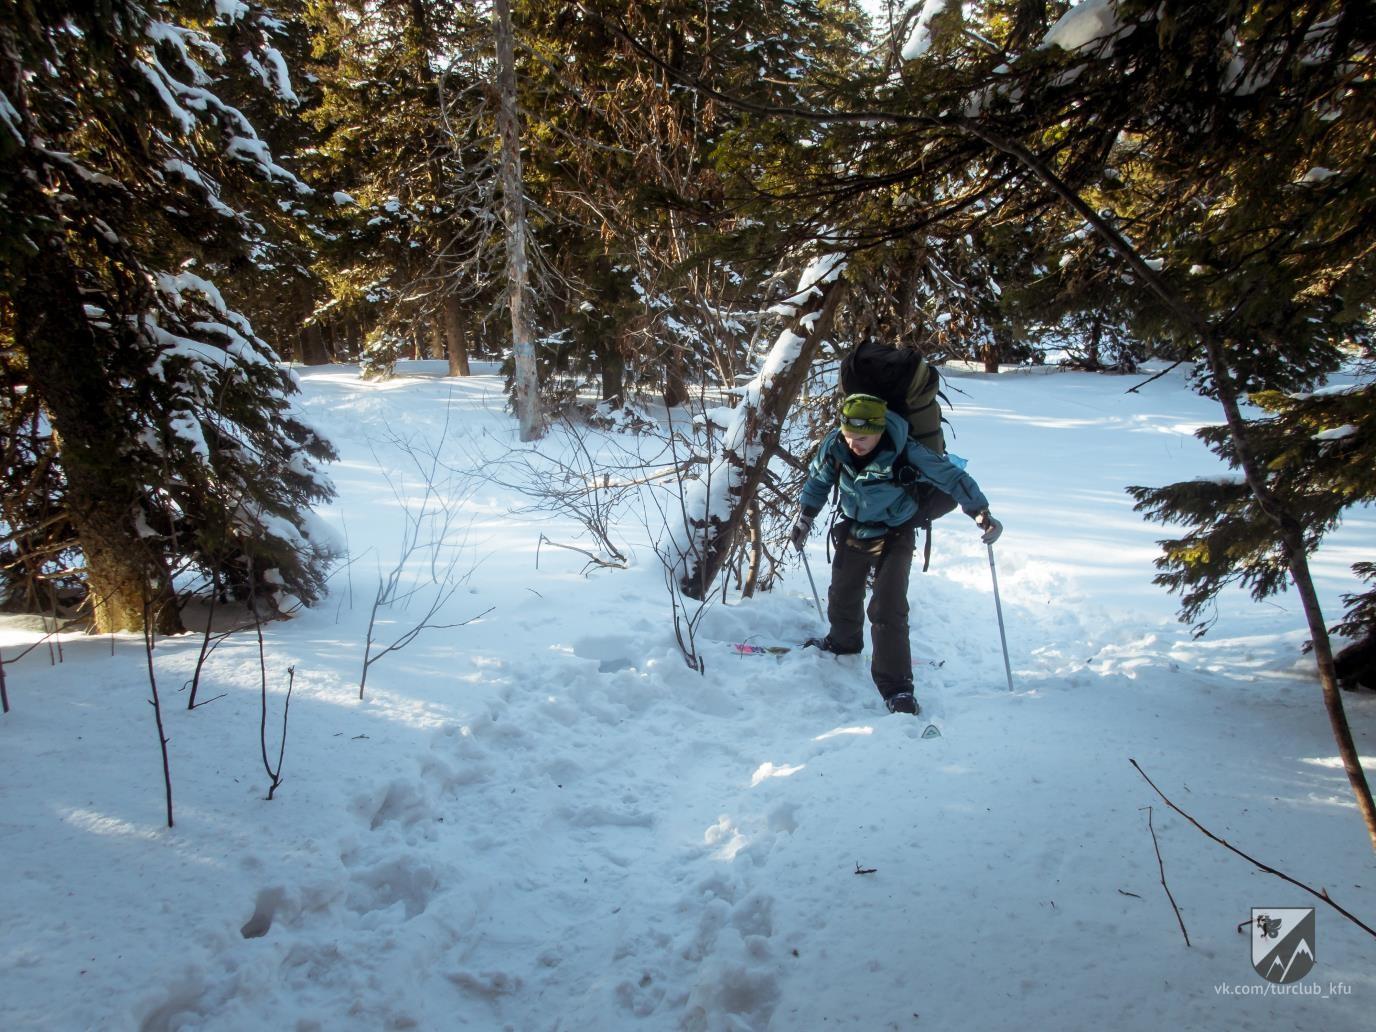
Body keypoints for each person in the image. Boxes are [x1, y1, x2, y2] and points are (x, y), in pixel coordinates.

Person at [790, 393, 1003, 715]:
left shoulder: (905, 449)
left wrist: (981, 513)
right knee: (843, 592)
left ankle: (898, 689)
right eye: (848, 436)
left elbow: (953, 478)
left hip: (896, 531)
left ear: (878, 431)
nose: (853, 444)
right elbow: (818, 480)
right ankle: (843, 642)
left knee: (888, 606)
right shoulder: (835, 445)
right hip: (855, 526)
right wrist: (805, 517)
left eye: (861, 438)